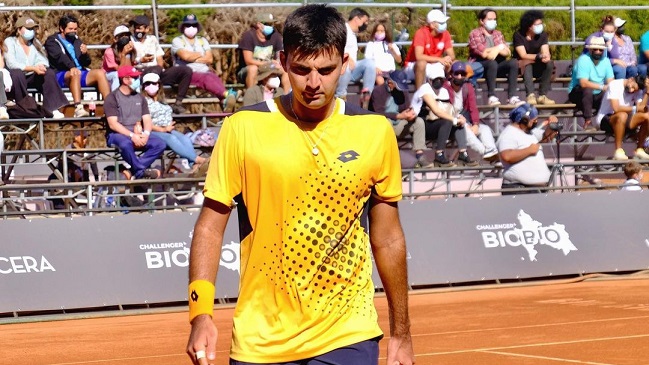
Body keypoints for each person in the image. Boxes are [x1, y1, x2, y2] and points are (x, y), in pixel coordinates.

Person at [185, 4, 414, 365]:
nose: (313, 83)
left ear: (345, 62)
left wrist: (401, 332)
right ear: (282, 61)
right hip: (261, 339)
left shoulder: (374, 131)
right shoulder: (242, 128)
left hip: (347, 331)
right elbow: (210, 228)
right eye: (301, 69)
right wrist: (201, 314)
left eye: (326, 70)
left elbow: (387, 238)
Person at [104, 66, 166, 180]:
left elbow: (147, 119)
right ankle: (141, 172)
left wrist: (146, 134)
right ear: (126, 80)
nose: (138, 80)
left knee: (160, 144)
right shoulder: (112, 98)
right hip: (117, 134)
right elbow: (113, 124)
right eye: (135, 77)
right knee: (125, 145)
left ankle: (134, 171)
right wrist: (132, 136)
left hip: (138, 132)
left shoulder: (140, 98)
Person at [410, 63, 477, 167]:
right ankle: (439, 155)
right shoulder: (425, 89)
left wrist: (458, 118)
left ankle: (463, 154)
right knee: (449, 121)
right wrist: (454, 119)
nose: (439, 82)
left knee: (459, 124)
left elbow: (448, 109)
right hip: (422, 125)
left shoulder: (444, 91)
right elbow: (437, 111)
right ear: (429, 80)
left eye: (441, 79)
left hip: (437, 124)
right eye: (436, 79)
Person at [44, 14, 110, 118]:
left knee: (99, 73)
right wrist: (71, 67)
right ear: (62, 28)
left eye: (75, 29)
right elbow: (59, 57)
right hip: (62, 73)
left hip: (80, 71)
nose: (73, 31)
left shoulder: (76, 40)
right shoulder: (52, 41)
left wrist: (85, 54)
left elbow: (86, 62)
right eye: (70, 29)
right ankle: (78, 108)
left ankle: (110, 106)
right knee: (74, 73)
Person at [141, 72, 208, 173]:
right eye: (147, 84)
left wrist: (167, 127)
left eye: (154, 83)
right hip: (153, 131)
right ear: (143, 86)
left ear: (158, 85)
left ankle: (193, 165)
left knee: (186, 139)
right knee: (171, 138)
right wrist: (163, 129)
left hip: (167, 129)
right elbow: (145, 123)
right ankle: (197, 159)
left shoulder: (162, 100)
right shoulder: (143, 101)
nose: (151, 86)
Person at [4, 16, 68, 119]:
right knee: (17, 73)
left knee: (49, 73)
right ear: (19, 30)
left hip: (33, 76)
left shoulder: (35, 43)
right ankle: (24, 106)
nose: (31, 31)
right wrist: (33, 68)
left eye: (32, 29)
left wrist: (41, 66)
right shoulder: (10, 42)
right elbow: (11, 63)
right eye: (28, 29)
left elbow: (43, 59)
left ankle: (52, 108)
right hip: (17, 78)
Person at [368, 69, 434, 168]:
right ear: (390, 83)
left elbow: (406, 107)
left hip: (398, 125)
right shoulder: (378, 91)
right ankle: (390, 158)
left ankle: (419, 155)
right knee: (386, 122)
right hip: (382, 127)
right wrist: (399, 116)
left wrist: (410, 113)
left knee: (419, 122)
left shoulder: (403, 92)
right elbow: (378, 113)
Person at [171, 14, 236, 113]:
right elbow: (185, 56)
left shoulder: (202, 40)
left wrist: (192, 57)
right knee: (205, 78)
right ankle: (227, 95)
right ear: (183, 27)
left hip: (204, 71)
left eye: (193, 25)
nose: (191, 28)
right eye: (188, 25)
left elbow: (209, 59)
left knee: (213, 77)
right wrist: (200, 55)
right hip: (185, 73)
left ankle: (225, 102)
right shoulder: (177, 41)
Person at [129, 15, 192, 114]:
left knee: (186, 71)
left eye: (139, 28)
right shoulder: (130, 41)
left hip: (157, 73)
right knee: (153, 69)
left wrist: (159, 70)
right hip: (140, 73)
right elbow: (128, 62)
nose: (137, 31)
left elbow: (159, 58)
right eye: (135, 28)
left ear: (147, 29)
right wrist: (141, 60)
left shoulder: (153, 39)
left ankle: (178, 103)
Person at [444, 61, 498, 161]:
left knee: (484, 129)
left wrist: (476, 124)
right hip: (450, 123)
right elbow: (443, 108)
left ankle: (491, 152)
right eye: (456, 73)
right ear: (451, 74)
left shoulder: (467, 87)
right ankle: (488, 155)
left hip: (465, 121)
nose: (459, 77)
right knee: (466, 130)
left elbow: (473, 108)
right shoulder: (445, 87)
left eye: (462, 74)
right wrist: (458, 118)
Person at [497, 103, 555, 195]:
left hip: (536, 191)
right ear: (524, 120)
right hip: (520, 190)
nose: (536, 123)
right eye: (534, 121)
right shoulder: (509, 134)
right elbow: (506, 156)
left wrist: (552, 126)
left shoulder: (529, 132)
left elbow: (546, 136)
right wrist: (529, 150)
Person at [468, 8, 520, 106]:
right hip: (481, 66)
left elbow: (507, 52)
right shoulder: (475, 34)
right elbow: (484, 54)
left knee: (513, 62)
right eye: (490, 19)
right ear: (481, 21)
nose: (493, 21)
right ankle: (491, 96)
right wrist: (499, 48)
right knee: (492, 63)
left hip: (497, 65)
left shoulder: (498, 33)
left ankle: (512, 97)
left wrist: (494, 50)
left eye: (494, 19)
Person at [594, 74, 649, 160]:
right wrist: (635, 108)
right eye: (632, 87)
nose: (631, 90)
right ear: (631, 79)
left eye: (634, 90)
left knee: (647, 116)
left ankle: (640, 148)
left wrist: (647, 92)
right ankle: (618, 150)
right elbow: (616, 108)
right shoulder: (614, 85)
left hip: (626, 118)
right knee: (622, 115)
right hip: (606, 118)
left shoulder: (637, 91)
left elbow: (641, 109)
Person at [568, 36, 614, 130]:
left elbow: (611, 81)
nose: (598, 51)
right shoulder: (583, 60)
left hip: (597, 93)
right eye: (595, 49)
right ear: (590, 50)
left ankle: (608, 121)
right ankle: (588, 121)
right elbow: (583, 83)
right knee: (588, 90)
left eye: (600, 50)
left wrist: (610, 88)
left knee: (610, 93)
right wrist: (602, 87)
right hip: (577, 92)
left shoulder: (606, 61)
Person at [403, 9, 455, 90]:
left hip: (434, 63)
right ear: (432, 24)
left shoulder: (446, 34)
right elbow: (419, 57)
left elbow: (452, 55)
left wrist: (448, 59)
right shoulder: (421, 33)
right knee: (422, 64)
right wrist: (440, 59)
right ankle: (419, 95)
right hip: (413, 65)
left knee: (456, 64)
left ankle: (447, 93)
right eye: (441, 23)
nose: (444, 25)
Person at [236, 12, 289, 91]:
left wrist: (278, 63)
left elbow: (280, 54)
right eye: (267, 24)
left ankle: (286, 99)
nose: (270, 26)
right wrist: (268, 64)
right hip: (249, 69)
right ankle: (252, 99)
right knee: (253, 69)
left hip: (270, 67)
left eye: (271, 24)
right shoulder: (248, 36)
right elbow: (248, 61)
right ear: (258, 24)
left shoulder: (276, 36)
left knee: (286, 71)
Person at [334, 8, 377, 103]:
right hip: (343, 68)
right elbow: (335, 48)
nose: (366, 24)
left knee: (369, 63)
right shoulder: (343, 31)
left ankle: (366, 93)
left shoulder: (353, 34)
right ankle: (341, 96)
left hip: (353, 69)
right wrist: (347, 58)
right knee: (345, 67)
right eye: (365, 21)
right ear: (357, 19)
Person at [513, 10, 556, 105]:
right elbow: (523, 55)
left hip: (537, 64)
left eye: (541, 23)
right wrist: (538, 56)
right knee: (527, 64)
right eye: (537, 24)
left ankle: (542, 95)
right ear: (529, 26)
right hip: (523, 66)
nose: (540, 26)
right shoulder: (518, 35)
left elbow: (545, 50)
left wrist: (545, 57)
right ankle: (530, 95)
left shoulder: (543, 35)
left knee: (549, 63)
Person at [584, 15, 631, 80]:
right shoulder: (592, 39)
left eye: (611, 32)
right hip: (592, 64)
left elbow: (616, 56)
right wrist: (613, 61)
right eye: (607, 31)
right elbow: (596, 58)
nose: (609, 34)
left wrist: (609, 46)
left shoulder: (613, 39)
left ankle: (619, 88)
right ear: (602, 30)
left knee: (620, 69)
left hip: (607, 64)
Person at [102, 25, 136, 91]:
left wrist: (128, 53)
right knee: (116, 75)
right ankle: (116, 97)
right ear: (115, 39)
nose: (124, 37)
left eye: (126, 35)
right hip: (109, 74)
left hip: (123, 73)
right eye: (121, 36)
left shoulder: (131, 50)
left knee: (135, 74)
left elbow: (129, 68)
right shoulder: (109, 51)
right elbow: (119, 70)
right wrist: (124, 54)